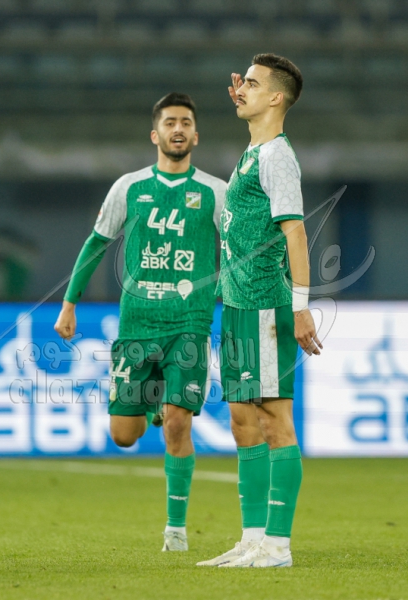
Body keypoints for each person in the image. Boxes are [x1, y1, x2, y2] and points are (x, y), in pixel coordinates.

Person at [54, 93, 226, 552]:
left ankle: (176, 530)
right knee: (124, 436)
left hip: (189, 322)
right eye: (170, 122)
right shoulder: (128, 188)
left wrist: (228, 296)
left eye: (185, 122)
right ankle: (154, 404)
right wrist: (69, 304)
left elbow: (236, 249)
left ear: (195, 135)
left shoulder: (216, 191)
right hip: (136, 325)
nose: (178, 129)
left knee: (177, 424)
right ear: (155, 134)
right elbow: (96, 243)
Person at [197, 54, 322, 569]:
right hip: (238, 304)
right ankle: (252, 538)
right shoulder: (254, 151)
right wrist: (249, 99)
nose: (240, 89)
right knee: (243, 421)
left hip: (267, 304)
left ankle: (278, 545)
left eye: (252, 83)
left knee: (275, 421)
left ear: (276, 97)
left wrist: (301, 307)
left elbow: (295, 232)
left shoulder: (276, 157)